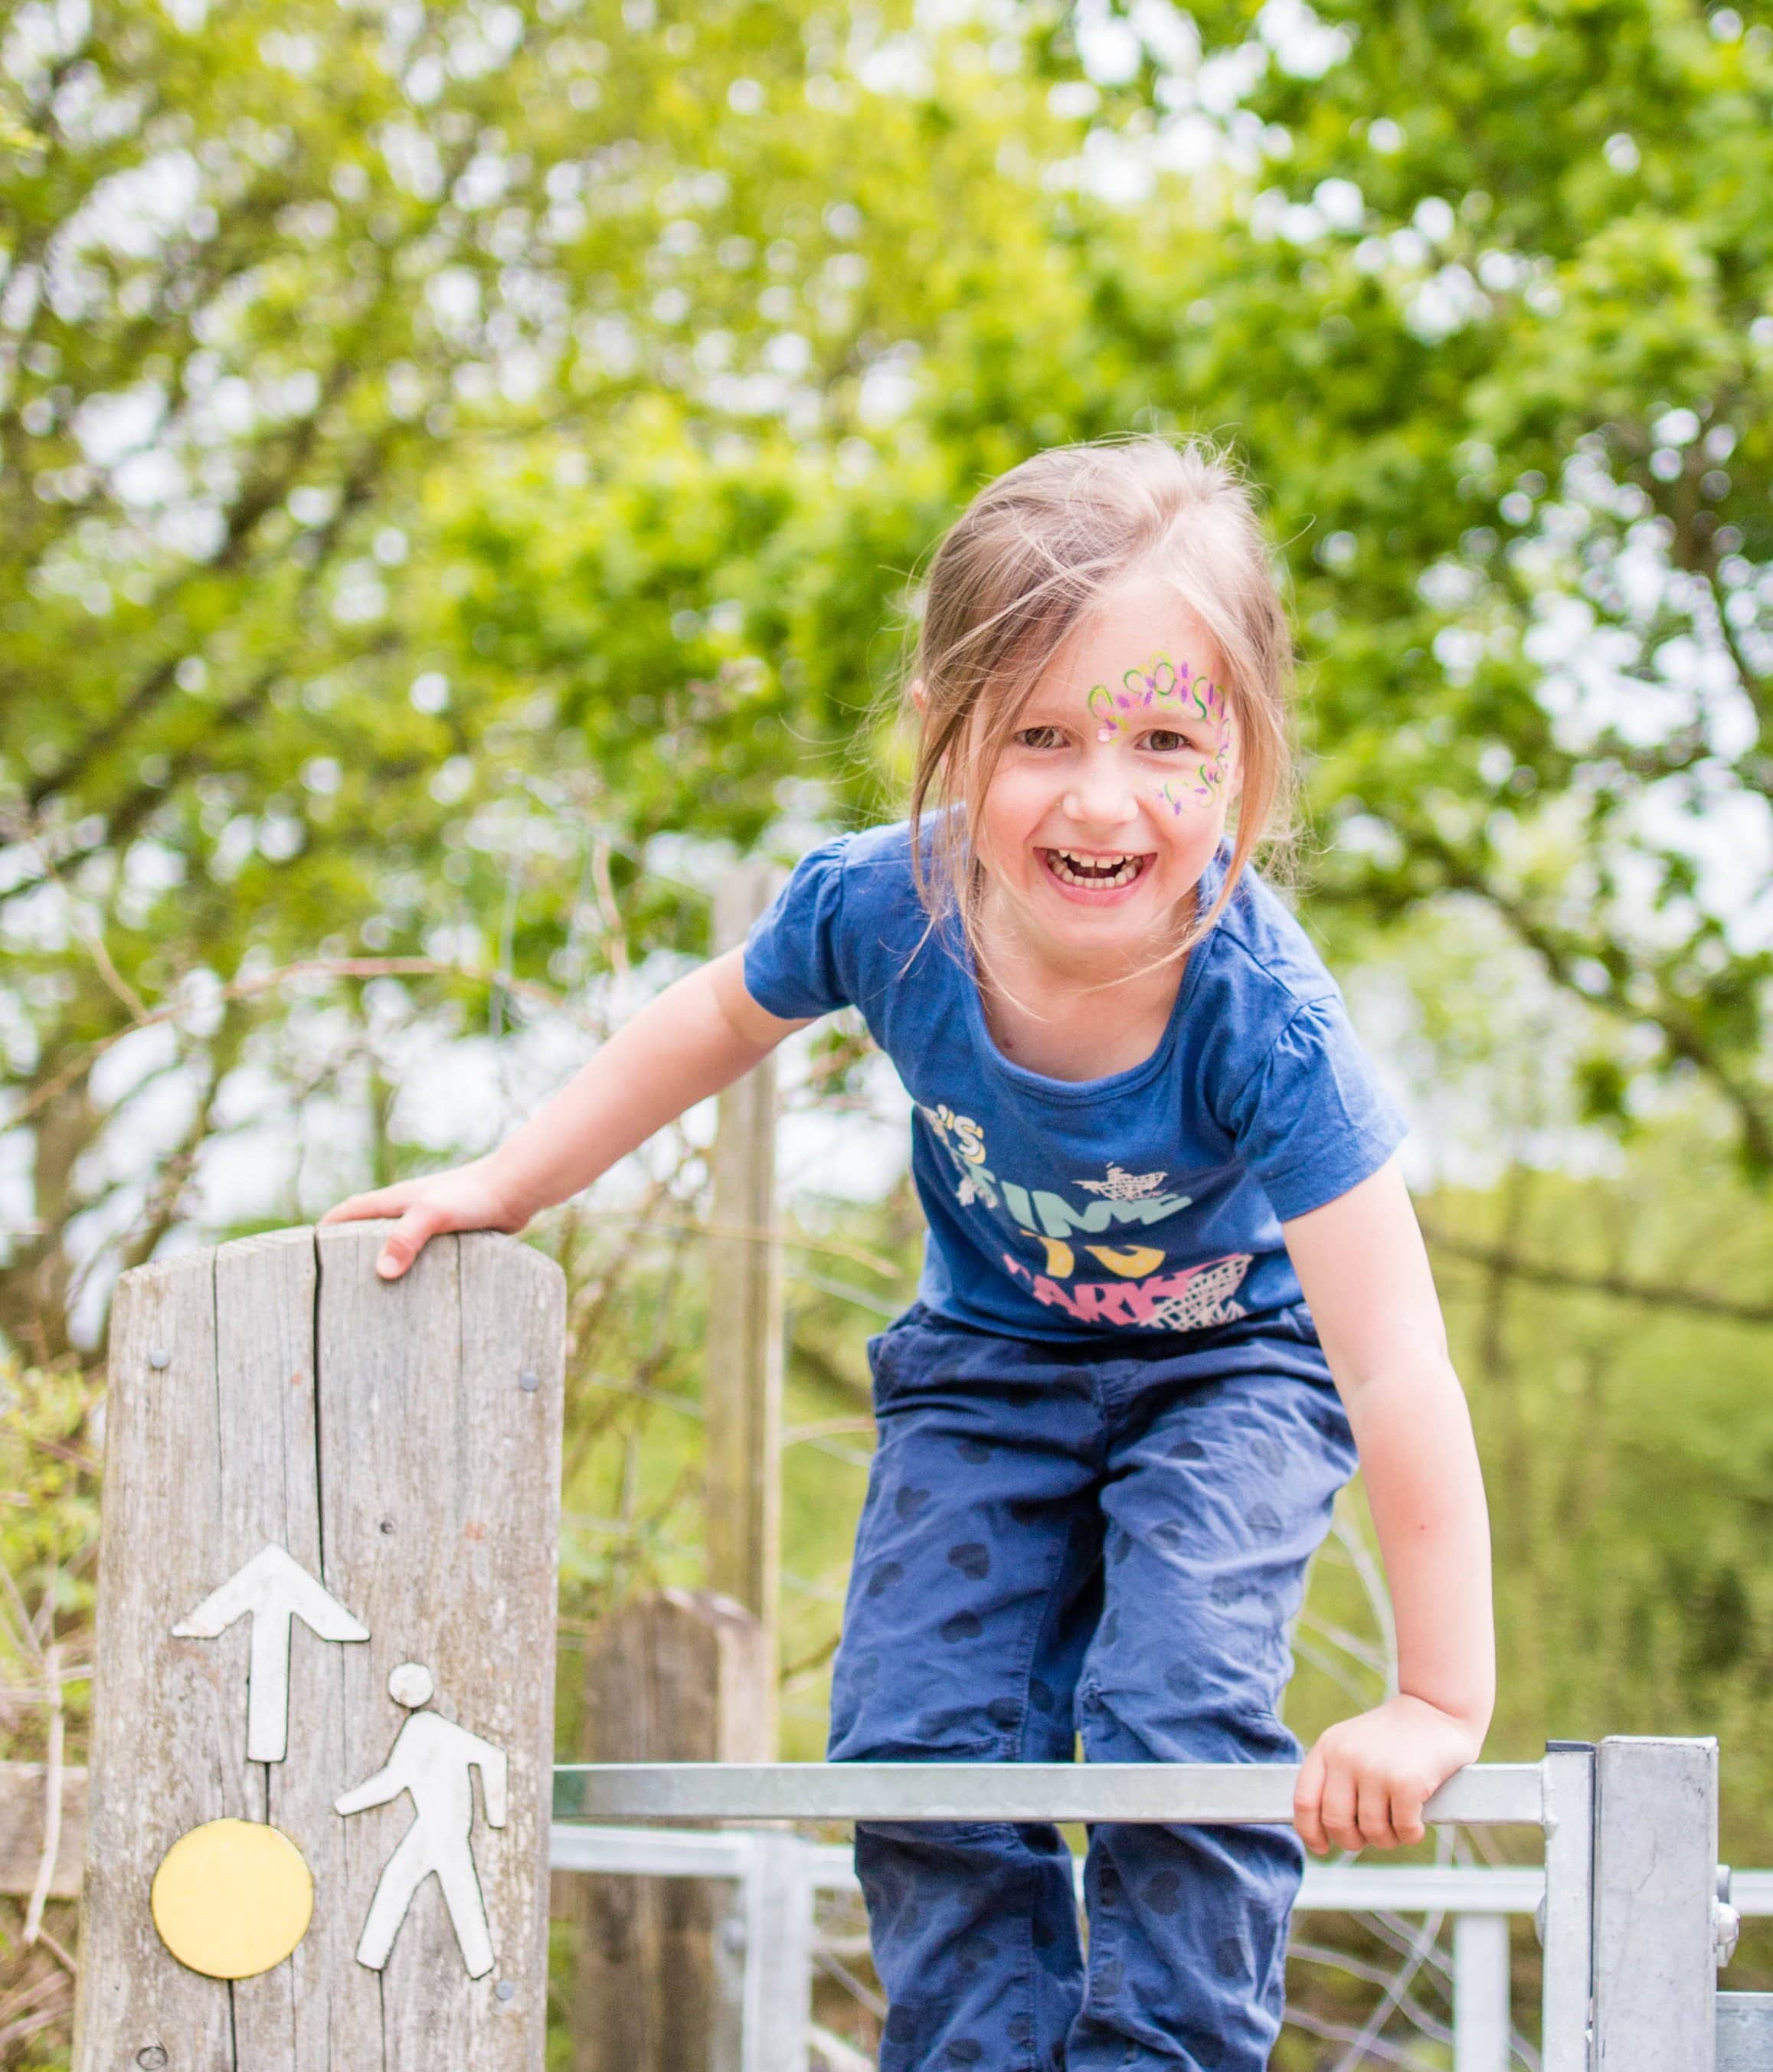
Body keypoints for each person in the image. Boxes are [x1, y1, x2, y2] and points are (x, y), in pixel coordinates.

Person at [323, 434, 1494, 2071]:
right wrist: (513, 1179)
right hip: (988, 1371)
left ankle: (1163, 2057)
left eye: (1164, 735)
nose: (1101, 797)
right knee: (912, 1734)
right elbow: (707, 1020)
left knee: (1170, 1710)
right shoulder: (887, 909)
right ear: (949, 736)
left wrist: (1438, 1701)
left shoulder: (1265, 1020)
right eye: (1040, 736)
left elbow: (1395, 1361)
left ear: (1245, 757)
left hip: (1236, 1372)